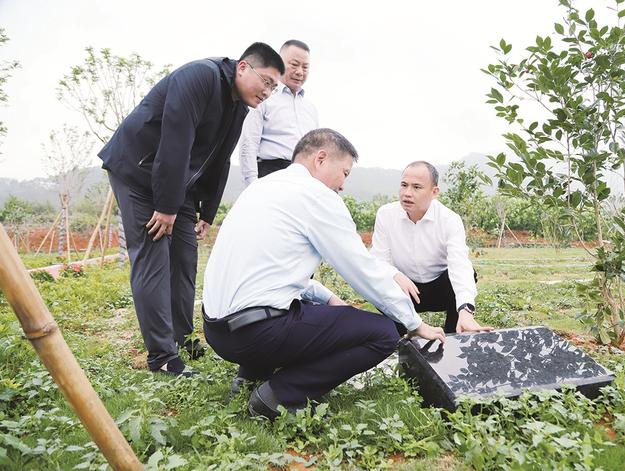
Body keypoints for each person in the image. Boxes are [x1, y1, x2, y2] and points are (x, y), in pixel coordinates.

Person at [202, 129, 445, 419]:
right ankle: (279, 395)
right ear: (320, 158)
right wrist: (414, 323)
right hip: (255, 334)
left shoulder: (261, 188)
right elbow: (361, 269)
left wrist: (328, 297)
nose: (342, 185)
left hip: (216, 331)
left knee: (289, 306)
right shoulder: (316, 196)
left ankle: (251, 374)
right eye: (344, 172)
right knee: (382, 333)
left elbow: (274, 271)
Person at [98, 43, 285, 377]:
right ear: (243, 68)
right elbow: (175, 141)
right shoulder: (199, 77)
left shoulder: (239, 107)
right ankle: (162, 357)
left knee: (184, 258)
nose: (269, 92)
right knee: (153, 255)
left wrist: (206, 213)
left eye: (274, 87)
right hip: (138, 171)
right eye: (267, 82)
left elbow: (219, 159)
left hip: (174, 182)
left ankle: (181, 338)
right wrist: (167, 207)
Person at [370, 161, 492, 335]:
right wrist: (394, 274)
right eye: (404, 185)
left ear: (434, 192)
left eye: (417, 187)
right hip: (405, 292)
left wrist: (466, 309)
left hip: (439, 290)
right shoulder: (386, 214)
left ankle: (455, 333)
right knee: (379, 281)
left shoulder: (449, 219)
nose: (407, 193)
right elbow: (378, 259)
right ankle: (403, 333)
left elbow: (459, 264)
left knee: (466, 272)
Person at [239, 39, 318, 185]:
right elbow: (248, 144)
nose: (300, 72)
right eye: (294, 65)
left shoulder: (311, 109)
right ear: (281, 63)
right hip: (270, 175)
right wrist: (252, 186)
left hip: (304, 180)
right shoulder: (263, 97)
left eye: (305, 67)